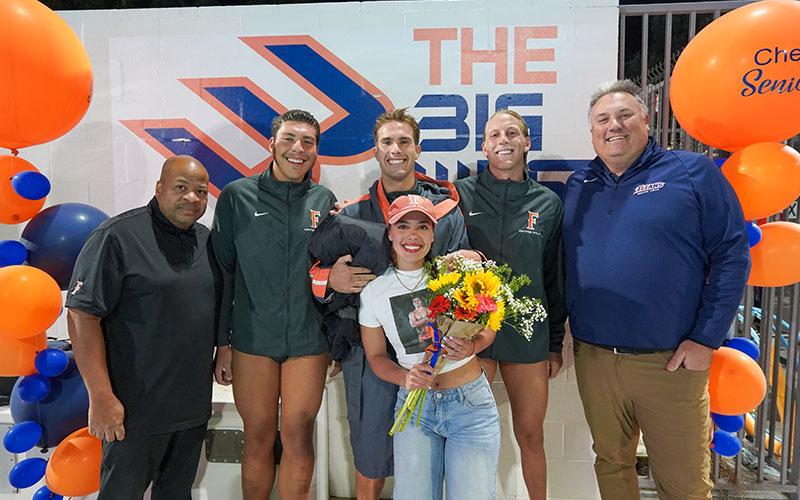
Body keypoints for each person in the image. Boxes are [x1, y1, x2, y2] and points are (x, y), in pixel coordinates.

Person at [562, 80, 750, 500]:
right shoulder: (579, 185)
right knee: (611, 466)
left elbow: (732, 255)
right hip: (595, 359)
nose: (615, 126)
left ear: (647, 121)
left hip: (669, 363)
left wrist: (705, 338)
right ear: (591, 131)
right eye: (603, 119)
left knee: (682, 483)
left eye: (625, 115)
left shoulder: (692, 172)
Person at [309, 108, 477, 500]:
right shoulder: (349, 214)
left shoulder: (446, 210)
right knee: (370, 455)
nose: (396, 149)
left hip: (431, 353)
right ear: (375, 150)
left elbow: (465, 275)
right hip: (369, 354)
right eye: (387, 142)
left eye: (404, 142)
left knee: (429, 456)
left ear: (417, 149)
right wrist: (329, 278)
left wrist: (472, 262)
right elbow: (313, 270)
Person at [65, 155, 221, 500]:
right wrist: (101, 397)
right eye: (181, 188)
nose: (192, 198)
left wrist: (224, 348)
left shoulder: (207, 242)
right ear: (159, 188)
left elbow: (218, 308)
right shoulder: (116, 237)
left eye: (201, 191)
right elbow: (81, 316)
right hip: (132, 413)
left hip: (190, 410)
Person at [211, 109, 337, 499]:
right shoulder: (237, 196)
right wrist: (223, 344)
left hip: (308, 339)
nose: (298, 149)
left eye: (308, 142)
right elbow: (223, 276)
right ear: (271, 144)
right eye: (289, 139)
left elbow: (329, 274)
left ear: (316, 150)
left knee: (299, 435)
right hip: (251, 339)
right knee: (260, 435)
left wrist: (336, 339)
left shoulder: (324, 199)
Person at [454, 109, 567, 500]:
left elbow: (554, 277)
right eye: (495, 134)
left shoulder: (548, 203)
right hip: (471, 334)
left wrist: (554, 343)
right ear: (484, 146)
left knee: (531, 435)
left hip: (527, 334)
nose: (504, 140)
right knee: (469, 434)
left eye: (512, 133)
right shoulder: (459, 194)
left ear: (526, 142)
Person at [359, 194, 500, 500]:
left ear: (433, 234)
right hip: (415, 410)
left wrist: (473, 346)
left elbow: (489, 327)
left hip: (470, 407)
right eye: (403, 226)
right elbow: (376, 357)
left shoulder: (453, 273)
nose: (413, 235)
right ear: (390, 233)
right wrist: (405, 378)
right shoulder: (373, 292)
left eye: (423, 227)